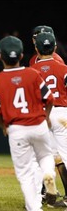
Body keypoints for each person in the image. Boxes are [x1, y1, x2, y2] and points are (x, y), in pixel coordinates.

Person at [0, 35, 58, 211]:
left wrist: (3, 126)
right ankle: (49, 174)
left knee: (25, 174)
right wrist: (46, 116)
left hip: (17, 128)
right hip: (39, 123)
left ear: (0, 57)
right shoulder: (33, 73)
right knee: (46, 156)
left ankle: (35, 208)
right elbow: (49, 99)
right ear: (20, 56)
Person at [30, 32, 67, 208]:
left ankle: (36, 198)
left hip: (40, 116)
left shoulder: (32, 71)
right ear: (55, 48)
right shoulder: (63, 68)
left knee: (40, 158)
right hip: (61, 114)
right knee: (65, 157)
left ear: (36, 48)